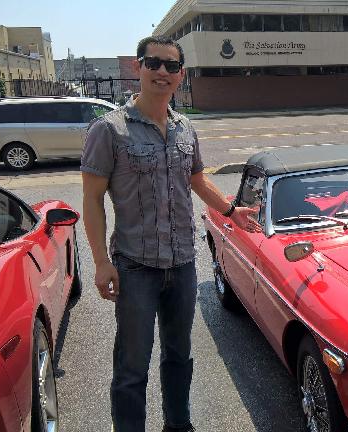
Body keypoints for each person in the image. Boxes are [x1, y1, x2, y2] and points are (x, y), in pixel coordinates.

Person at [81, 35, 260, 432]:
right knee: (132, 367)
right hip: (135, 268)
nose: (162, 72)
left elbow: (196, 179)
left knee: (179, 357)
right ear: (138, 68)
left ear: (181, 75)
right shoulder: (108, 131)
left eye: (171, 66)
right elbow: (92, 200)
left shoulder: (184, 129)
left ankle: (179, 426)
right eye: (154, 63)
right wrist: (100, 262)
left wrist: (231, 209)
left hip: (182, 265)